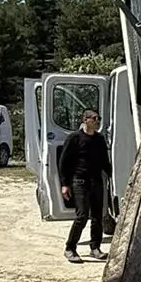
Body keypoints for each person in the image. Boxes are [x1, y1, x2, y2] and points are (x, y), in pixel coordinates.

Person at [59, 110, 111, 262]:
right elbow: (64, 163)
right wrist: (65, 184)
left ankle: (95, 247)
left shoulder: (99, 139)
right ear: (85, 120)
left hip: (96, 181)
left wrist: (111, 174)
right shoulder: (74, 138)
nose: (97, 121)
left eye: (98, 119)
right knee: (82, 216)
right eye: (95, 119)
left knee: (97, 217)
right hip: (80, 181)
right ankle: (70, 248)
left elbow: (104, 161)